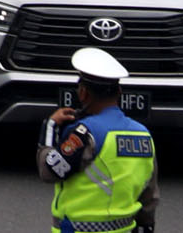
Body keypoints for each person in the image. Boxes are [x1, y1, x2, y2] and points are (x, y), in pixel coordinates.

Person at [38, 47, 157, 233]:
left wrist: (50, 127)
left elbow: (49, 171)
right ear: (119, 92)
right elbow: (149, 192)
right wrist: (147, 225)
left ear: (83, 93)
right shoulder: (143, 134)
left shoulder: (85, 134)